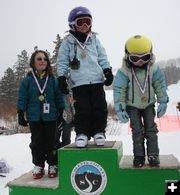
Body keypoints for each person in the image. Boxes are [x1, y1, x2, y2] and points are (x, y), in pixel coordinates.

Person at [57, 6, 113, 148]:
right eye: (80, 22)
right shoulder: (68, 42)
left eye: (87, 22)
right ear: (72, 24)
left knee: (99, 108)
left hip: (96, 81)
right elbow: (62, 61)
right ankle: (82, 133)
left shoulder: (94, 40)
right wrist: (62, 78)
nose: (84, 26)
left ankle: (99, 132)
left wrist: (107, 70)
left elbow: (102, 57)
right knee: (82, 109)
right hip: (78, 83)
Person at [113, 35, 169, 167]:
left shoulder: (154, 69)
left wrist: (163, 101)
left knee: (151, 129)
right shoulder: (124, 71)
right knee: (137, 131)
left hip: (149, 105)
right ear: (128, 56)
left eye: (145, 57)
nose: (140, 61)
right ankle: (139, 156)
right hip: (132, 106)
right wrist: (120, 107)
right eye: (135, 58)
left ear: (150, 55)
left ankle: (153, 155)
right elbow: (119, 90)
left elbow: (159, 85)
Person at [17, 50, 65, 179]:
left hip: (51, 116)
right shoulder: (27, 81)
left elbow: (59, 96)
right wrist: (21, 113)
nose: (42, 61)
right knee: (37, 142)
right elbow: (22, 97)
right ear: (33, 62)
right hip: (34, 117)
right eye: (39, 59)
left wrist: (61, 112)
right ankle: (38, 164)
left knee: (52, 141)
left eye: (45, 59)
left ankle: (53, 164)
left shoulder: (52, 80)